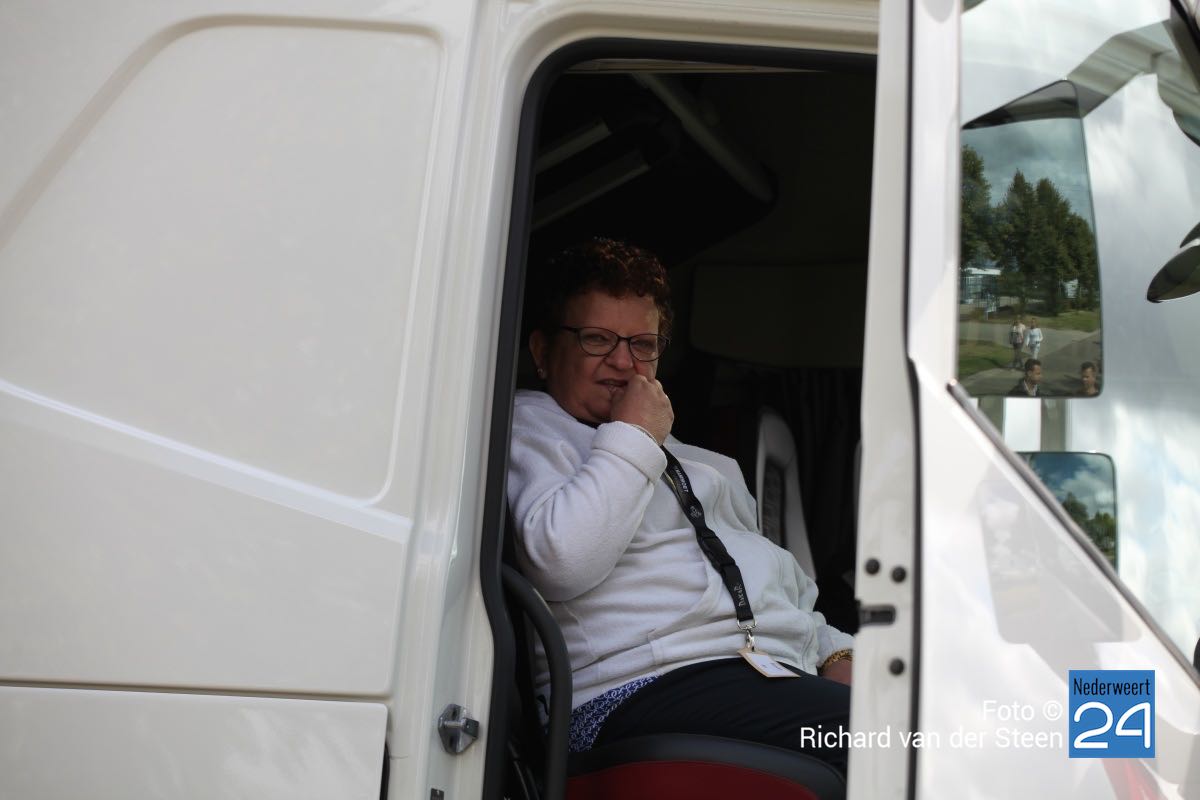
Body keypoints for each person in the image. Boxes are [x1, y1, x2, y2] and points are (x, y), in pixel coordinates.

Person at [508, 238, 853, 772]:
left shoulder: (708, 465)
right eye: (597, 339)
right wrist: (635, 435)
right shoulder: (526, 428)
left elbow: (780, 587)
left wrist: (836, 651)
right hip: (626, 690)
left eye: (643, 345)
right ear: (541, 351)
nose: (623, 362)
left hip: (756, 674)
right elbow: (562, 561)